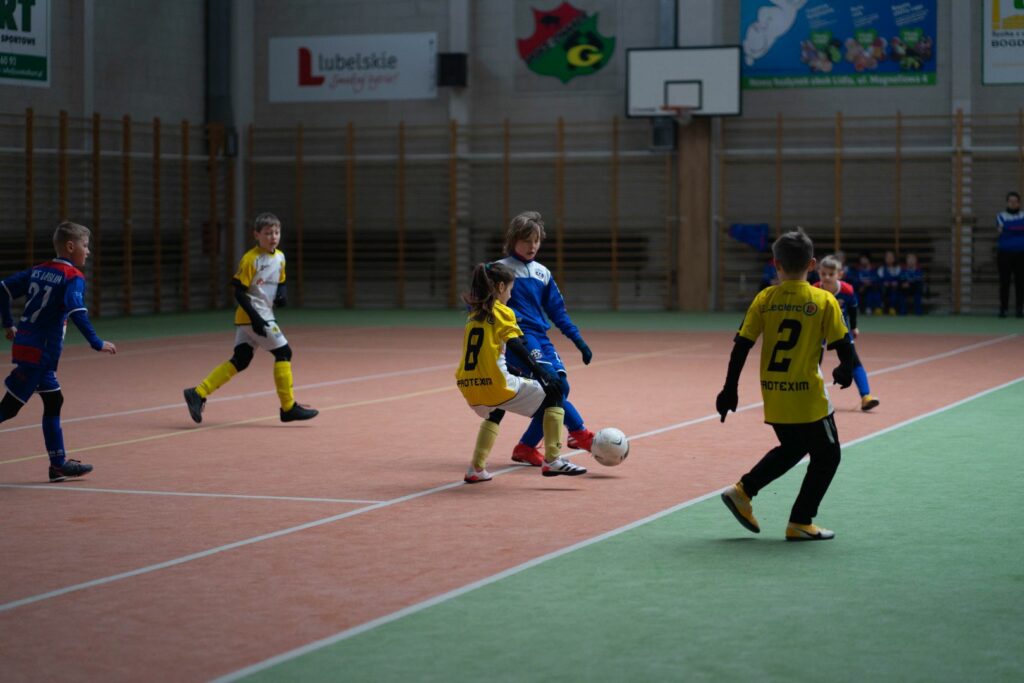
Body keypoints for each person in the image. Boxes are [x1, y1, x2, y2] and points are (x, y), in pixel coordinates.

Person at [716, 230, 856, 541]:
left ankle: (743, 491)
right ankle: (800, 521)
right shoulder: (824, 299)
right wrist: (845, 369)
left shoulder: (765, 298)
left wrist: (730, 389)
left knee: (793, 447)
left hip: (774, 392)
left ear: (776, 264)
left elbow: (742, 345)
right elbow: (843, 343)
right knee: (828, 456)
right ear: (812, 264)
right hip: (808, 397)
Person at [0, 221, 117, 481]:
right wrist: (96, 342)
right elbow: (77, 311)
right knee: (8, 409)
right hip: (39, 353)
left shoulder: (38, 270)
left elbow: (3, 288)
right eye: (85, 246)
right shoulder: (72, 277)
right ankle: (58, 464)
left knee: (54, 401)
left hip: (32, 349)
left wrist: (8, 323)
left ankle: (58, 466)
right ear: (71, 246)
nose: (88, 251)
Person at [455, 262, 587, 482]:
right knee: (554, 393)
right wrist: (542, 372)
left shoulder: (474, 314)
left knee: (496, 410)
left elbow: (487, 354)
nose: (510, 295)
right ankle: (553, 459)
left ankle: (476, 468)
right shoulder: (503, 312)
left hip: (468, 388)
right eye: (509, 289)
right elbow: (516, 345)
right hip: (496, 385)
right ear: (500, 287)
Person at [183, 213, 318, 423]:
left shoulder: (280, 257)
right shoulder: (251, 259)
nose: (273, 237)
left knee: (241, 360)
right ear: (256, 235)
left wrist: (282, 294)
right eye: (268, 233)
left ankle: (198, 393)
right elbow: (238, 292)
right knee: (284, 353)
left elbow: (281, 280)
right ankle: (288, 407)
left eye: (277, 232)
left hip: (261, 314)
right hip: (253, 315)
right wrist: (256, 319)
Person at [494, 211, 595, 467]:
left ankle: (526, 447)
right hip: (519, 339)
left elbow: (558, 312)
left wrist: (578, 341)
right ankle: (580, 433)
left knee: (561, 387)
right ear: (513, 240)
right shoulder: (498, 270)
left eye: (536, 240)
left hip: (541, 337)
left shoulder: (542, 273)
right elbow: (479, 303)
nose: (532, 246)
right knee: (553, 388)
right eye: (526, 240)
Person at [815, 255, 879, 411]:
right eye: (823, 274)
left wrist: (854, 327)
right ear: (819, 273)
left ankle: (866, 397)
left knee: (853, 361)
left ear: (840, 274)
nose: (827, 277)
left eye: (831, 274)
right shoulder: (814, 290)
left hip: (840, 329)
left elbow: (852, 310)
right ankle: (813, 396)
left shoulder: (847, 290)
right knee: (814, 363)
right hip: (819, 330)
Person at [996, 191, 1024, 318]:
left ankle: (1019, 309)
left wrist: (1008, 228)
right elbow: (1001, 229)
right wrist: (1018, 227)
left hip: (1021, 254)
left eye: (1015, 201)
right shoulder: (1000, 215)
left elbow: (1006, 228)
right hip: (1005, 254)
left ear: (1019, 203)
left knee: (1021, 282)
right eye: (1010, 201)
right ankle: (1003, 309)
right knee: (1004, 282)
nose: (1013, 203)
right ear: (1007, 202)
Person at [877, 250, 902, 315]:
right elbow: (879, 280)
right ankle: (879, 308)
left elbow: (900, 279)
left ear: (894, 258)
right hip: (883, 288)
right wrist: (883, 283)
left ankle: (892, 308)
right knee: (878, 291)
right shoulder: (881, 269)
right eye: (888, 257)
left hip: (894, 288)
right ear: (885, 259)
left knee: (895, 292)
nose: (889, 259)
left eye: (891, 257)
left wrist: (896, 283)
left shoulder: (897, 268)